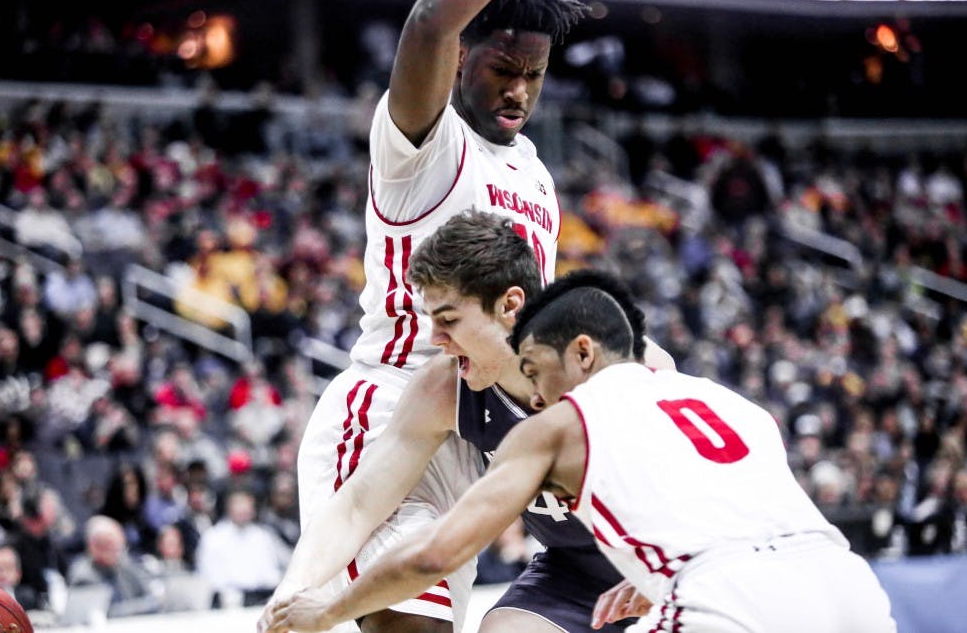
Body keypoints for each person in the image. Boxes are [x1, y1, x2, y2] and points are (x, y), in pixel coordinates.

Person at [265, 271, 897, 633]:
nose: (534, 392)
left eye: (536, 371)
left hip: (721, 595)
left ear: (584, 353)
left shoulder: (564, 422)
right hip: (845, 583)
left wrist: (327, 608)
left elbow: (435, 552)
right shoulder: (728, 405)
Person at [281, 0, 587, 632]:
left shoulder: (534, 173)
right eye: (502, 67)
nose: (518, 89)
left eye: (533, 74)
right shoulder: (424, 144)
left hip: (471, 433)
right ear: (457, 61)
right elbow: (428, 20)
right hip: (392, 410)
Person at [260, 213, 672, 633]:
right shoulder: (446, 386)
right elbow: (358, 505)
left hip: (674, 557)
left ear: (510, 305)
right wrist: (291, 592)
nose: (434, 338)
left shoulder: (623, 366)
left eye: (449, 320)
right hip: (573, 573)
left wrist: (668, 568)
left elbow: (704, 486)